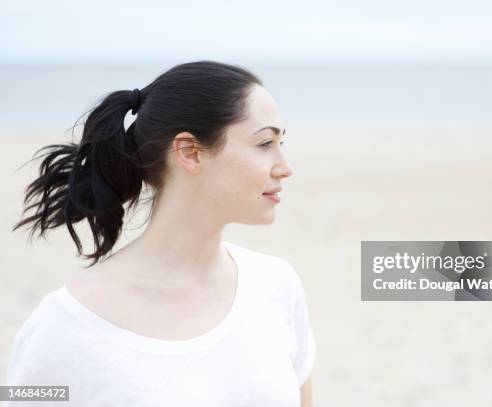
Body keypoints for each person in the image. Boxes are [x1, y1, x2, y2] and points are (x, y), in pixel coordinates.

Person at [5, 61, 316, 406]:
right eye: (264, 144)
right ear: (189, 152)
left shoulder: (277, 286)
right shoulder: (62, 325)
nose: (285, 167)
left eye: (280, 143)